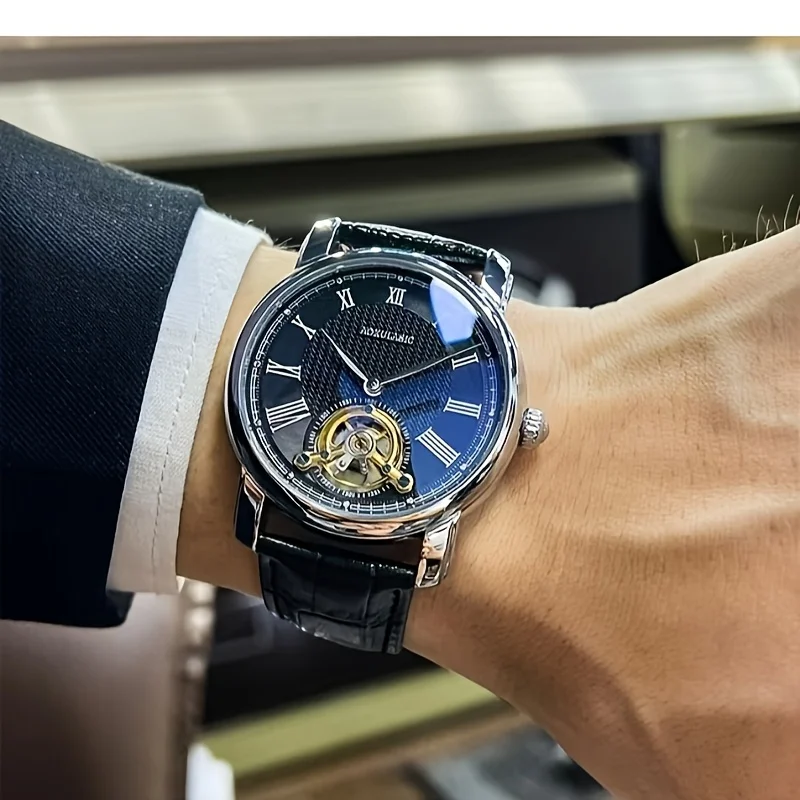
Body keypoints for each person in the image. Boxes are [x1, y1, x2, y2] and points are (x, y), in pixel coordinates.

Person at [1, 120, 797, 799]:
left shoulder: (460, 465)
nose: (373, 388)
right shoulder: (292, 436)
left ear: (523, 427)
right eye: (367, 382)